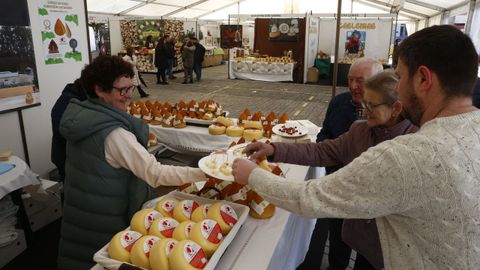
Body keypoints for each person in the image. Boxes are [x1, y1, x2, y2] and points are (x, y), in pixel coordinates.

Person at [233, 25, 480, 269]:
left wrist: (253, 176)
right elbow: (325, 150)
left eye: (401, 76)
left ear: (423, 79)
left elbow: (310, 198)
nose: (398, 89)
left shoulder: (407, 154)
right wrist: (276, 150)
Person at [57, 56, 207, 270]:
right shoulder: (114, 133)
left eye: (131, 88)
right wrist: (205, 172)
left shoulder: (82, 116)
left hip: (81, 215)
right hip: (105, 222)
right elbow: (155, 174)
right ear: (100, 90)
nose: (129, 97)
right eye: (122, 91)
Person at [298, 57, 383, 270]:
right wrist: (327, 146)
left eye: (361, 81)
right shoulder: (339, 102)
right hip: (337, 188)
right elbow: (324, 134)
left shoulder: (391, 111)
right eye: (350, 80)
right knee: (338, 241)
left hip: (371, 198)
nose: (354, 86)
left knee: (368, 256)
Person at [50, 79, 87, 181]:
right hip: (66, 158)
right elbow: (70, 132)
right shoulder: (70, 102)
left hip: (64, 155)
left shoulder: (72, 96)